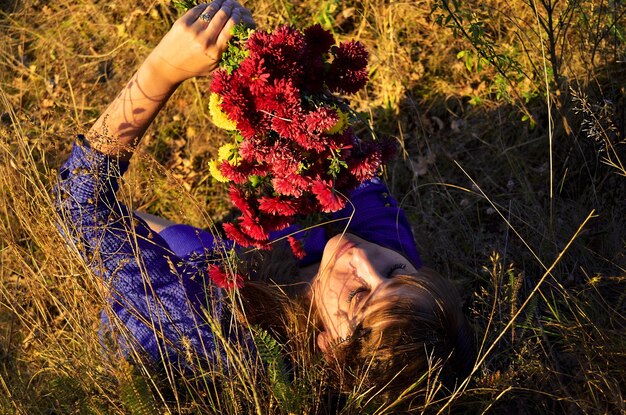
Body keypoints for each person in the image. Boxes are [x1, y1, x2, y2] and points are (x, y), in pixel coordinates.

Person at [55, 0, 475, 406]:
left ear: (328, 348)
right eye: (396, 271)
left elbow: (78, 206)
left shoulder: (203, 325)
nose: (362, 257)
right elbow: (348, 155)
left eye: (359, 296)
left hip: (151, 315)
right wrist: (268, 69)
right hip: (251, 264)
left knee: (171, 245)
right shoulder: (394, 263)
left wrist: (161, 71)